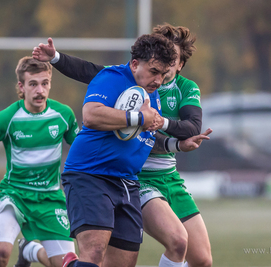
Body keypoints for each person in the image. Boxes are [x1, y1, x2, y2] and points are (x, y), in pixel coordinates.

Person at [32, 24, 212, 267]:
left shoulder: (155, 94)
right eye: (155, 71)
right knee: (95, 253)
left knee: (129, 262)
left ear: (178, 65)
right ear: (137, 63)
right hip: (94, 175)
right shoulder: (115, 77)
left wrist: (173, 143)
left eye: (164, 71)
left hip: (128, 182)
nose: (159, 79)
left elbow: (154, 135)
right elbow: (91, 113)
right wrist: (56, 58)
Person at [0, 57, 79, 267]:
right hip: (15, 195)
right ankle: (25, 248)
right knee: (0, 253)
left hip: (50, 198)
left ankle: (30, 250)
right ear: (21, 86)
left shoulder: (64, 115)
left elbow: (82, 149)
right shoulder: (8, 117)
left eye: (45, 83)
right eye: (33, 84)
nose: (40, 90)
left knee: (66, 264)